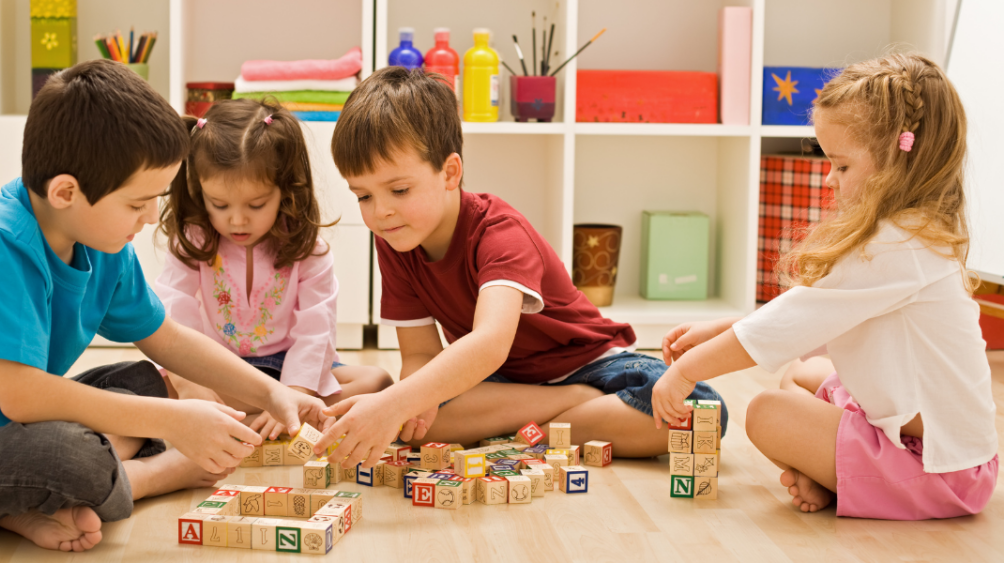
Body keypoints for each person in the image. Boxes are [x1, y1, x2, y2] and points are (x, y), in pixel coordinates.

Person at [0, 60, 330, 552]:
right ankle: (147, 475)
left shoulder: (102, 241)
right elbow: (22, 397)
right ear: (66, 192)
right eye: (137, 204)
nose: (150, 216)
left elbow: (169, 340)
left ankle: (22, 504)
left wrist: (271, 393)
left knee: (149, 381)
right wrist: (174, 426)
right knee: (74, 457)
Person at [313, 67, 727, 467]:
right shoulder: (397, 237)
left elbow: (490, 343)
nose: (381, 212)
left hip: (590, 364)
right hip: (503, 383)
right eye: (363, 196)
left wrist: (398, 403)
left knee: (703, 415)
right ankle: (568, 411)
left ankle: (548, 418)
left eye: (399, 189)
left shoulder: (499, 231)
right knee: (425, 425)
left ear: (450, 173)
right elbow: (421, 354)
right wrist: (412, 405)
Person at [652, 54, 998, 519]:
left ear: (899, 158)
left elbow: (793, 321)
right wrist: (719, 330)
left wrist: (687, 371)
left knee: (767, 412)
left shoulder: (895, 247)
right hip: (942, 444)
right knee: (797, 374)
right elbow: (807, 316)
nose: (828, 179)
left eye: (841, 166)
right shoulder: (910, 231)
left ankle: (840, 479)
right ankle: (834, 475)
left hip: (939, 468)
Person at [156, 99, 392, 439]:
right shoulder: (195, 239)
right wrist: (190, 383)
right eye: (219, 204)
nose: (237, 220)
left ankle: (253, 419)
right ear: (198, 190)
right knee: (155, 388)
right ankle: (254, 418)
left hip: (288, 371)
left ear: (285, 190)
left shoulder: (309, 250)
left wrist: (295, 395)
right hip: (220, 371)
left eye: (256, 204)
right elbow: (173, 309)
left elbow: (316, 329)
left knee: (377, 382)